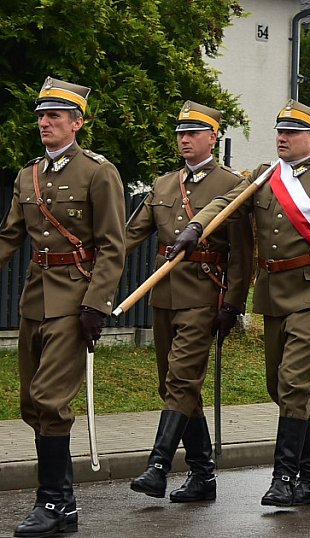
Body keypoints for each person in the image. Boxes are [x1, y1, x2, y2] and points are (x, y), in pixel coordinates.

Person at [168, 100, 310, 507]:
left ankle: (284, 477)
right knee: (278, 387)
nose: (282, 138)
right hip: (273, 293)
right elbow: (227, 203)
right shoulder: (264, 176)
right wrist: (195, 226)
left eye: (292, 132)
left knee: (295, 384)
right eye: (279, 131)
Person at [0, 76, 126, 536]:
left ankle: (52, 503)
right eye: (40, 115)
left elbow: (113, 245)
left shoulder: (97, 172)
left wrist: (98, 303)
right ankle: (64, 502)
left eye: (54, 115)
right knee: (30, 403)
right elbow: (10, 236)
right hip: (35, 298)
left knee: (51, 399)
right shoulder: (28, 174)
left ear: (77, 123)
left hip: (76, 299)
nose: (44, 123)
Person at [126, 101, 254, 502]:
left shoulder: (231, 183)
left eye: (193, 133)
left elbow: (243, 253)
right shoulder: (164, 185)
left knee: (181, 379)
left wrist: (232, 305)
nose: (184, 139)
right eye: (181, 133)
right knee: (175, 384)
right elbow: (129, 236)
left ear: (212, 136)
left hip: (204, 294)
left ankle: (158, 465)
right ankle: (203, 473)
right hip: (165, 297)